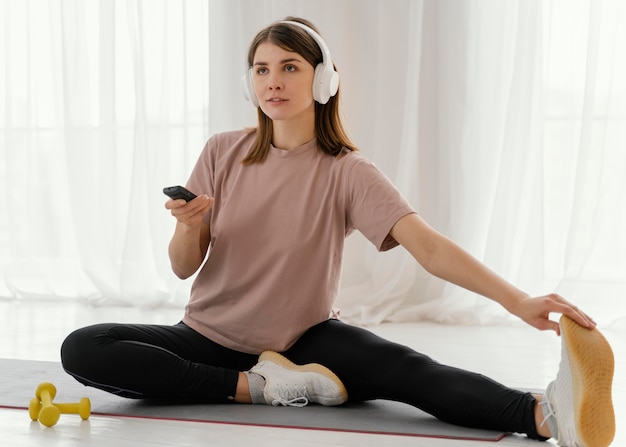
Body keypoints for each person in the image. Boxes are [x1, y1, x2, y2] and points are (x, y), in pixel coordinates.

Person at [60, 17, 615, 446]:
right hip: (208, 337)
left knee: (409, 371)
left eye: (290, 67)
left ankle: (546, 416)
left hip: (305, 341)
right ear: (249, 81)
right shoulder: (221, 151)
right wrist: (192, 225)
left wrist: (518, 301)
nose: (273, 81)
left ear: (322, 79)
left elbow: (428, 247)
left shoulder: (347, 170)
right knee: (84, 347)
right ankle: (261, 389)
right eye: (261, 68)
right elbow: (184, 266)